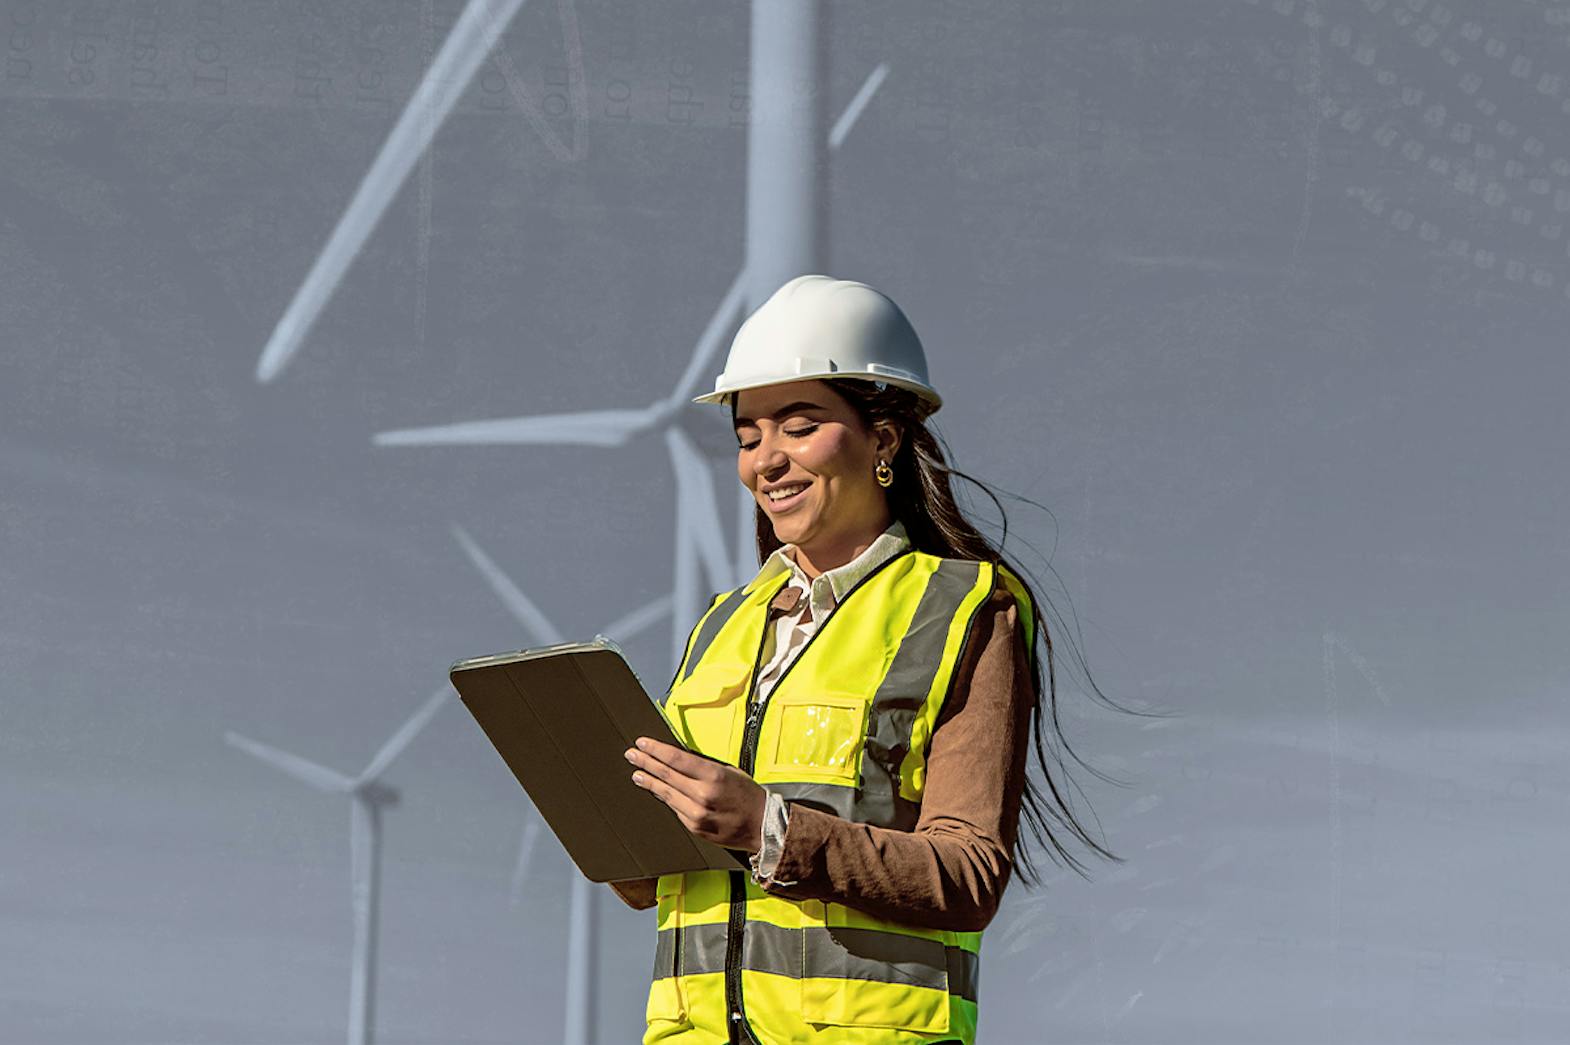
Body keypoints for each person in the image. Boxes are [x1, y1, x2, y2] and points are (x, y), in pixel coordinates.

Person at [615, 274, 1119, 1045]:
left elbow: (968, 872)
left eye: (799, 425)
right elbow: (656, 883)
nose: (766, 461)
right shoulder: (723, 625)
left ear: (883, 439)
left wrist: (769, 830)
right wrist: (611, 826)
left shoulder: (963, 609)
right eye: (748, 437)